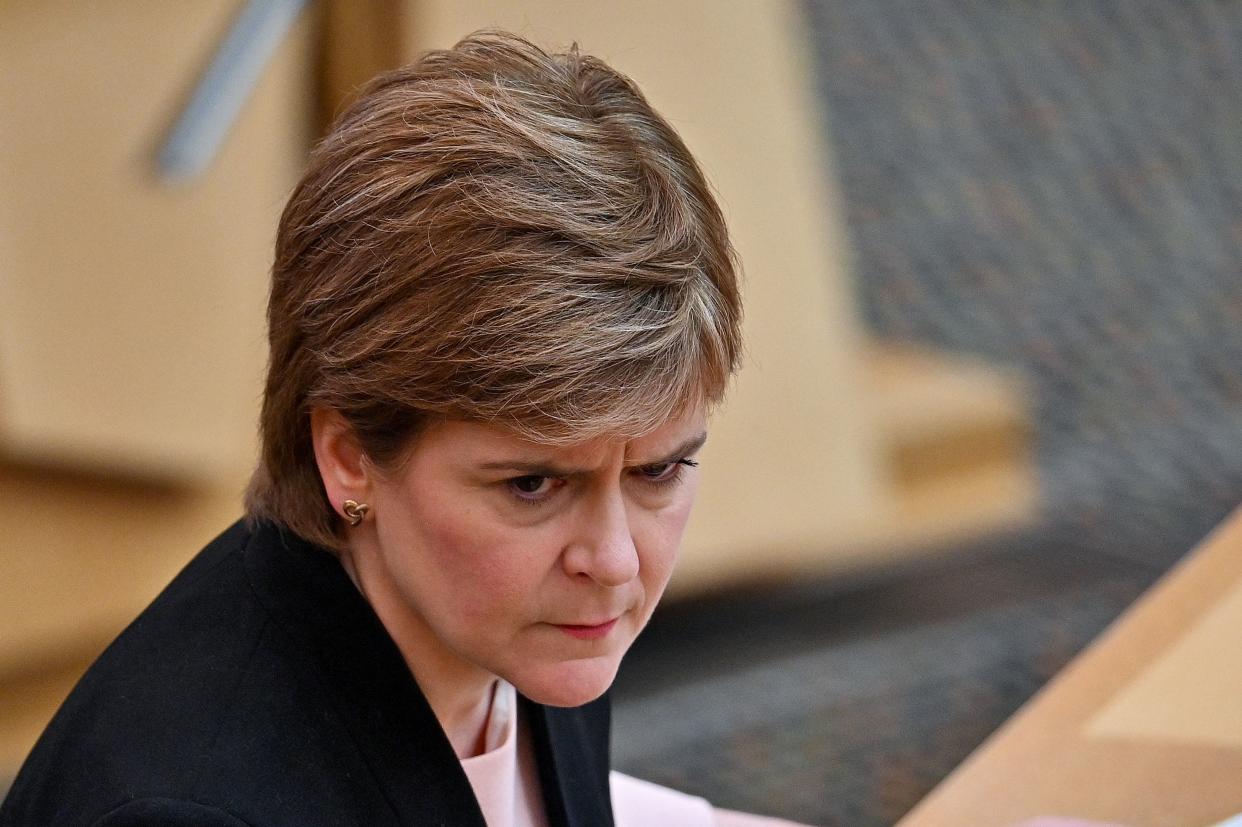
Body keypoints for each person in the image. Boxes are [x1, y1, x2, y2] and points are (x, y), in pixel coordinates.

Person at [0, 31, 807, 827]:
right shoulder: (191, 808)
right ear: (349, 458)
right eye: (533, 485)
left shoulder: (494, 620)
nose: (615, 558)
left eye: (659, 473)